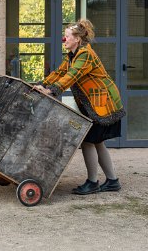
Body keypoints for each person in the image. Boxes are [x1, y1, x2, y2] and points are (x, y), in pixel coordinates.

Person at [33, 19, 126, 195]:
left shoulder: (85, 55)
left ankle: (93, 182)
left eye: (67, 36)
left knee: (89, 141)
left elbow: (72, 76)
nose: (64, 39)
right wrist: (42, 85)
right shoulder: (73, 56)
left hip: (103, 105)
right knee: (97, 143)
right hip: (94, 104)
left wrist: (52, 91)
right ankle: (112, 181)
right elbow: (60, 73)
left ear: (77, 39)